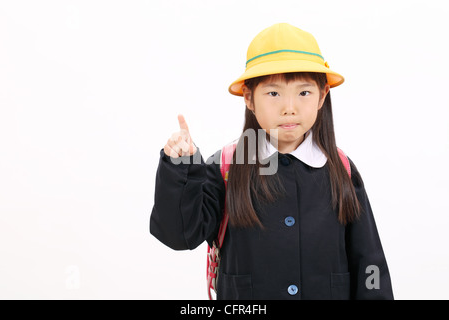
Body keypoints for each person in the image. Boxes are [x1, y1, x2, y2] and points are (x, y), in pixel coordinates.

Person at [150, 23, 394, 300]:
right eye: (273, 93)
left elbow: (370, 262)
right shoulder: (226, 166)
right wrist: (181, 167)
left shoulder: (341, 168)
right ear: (249, 98)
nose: (289, 107)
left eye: (304, 92)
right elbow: (180, 235)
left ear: (322, 96)